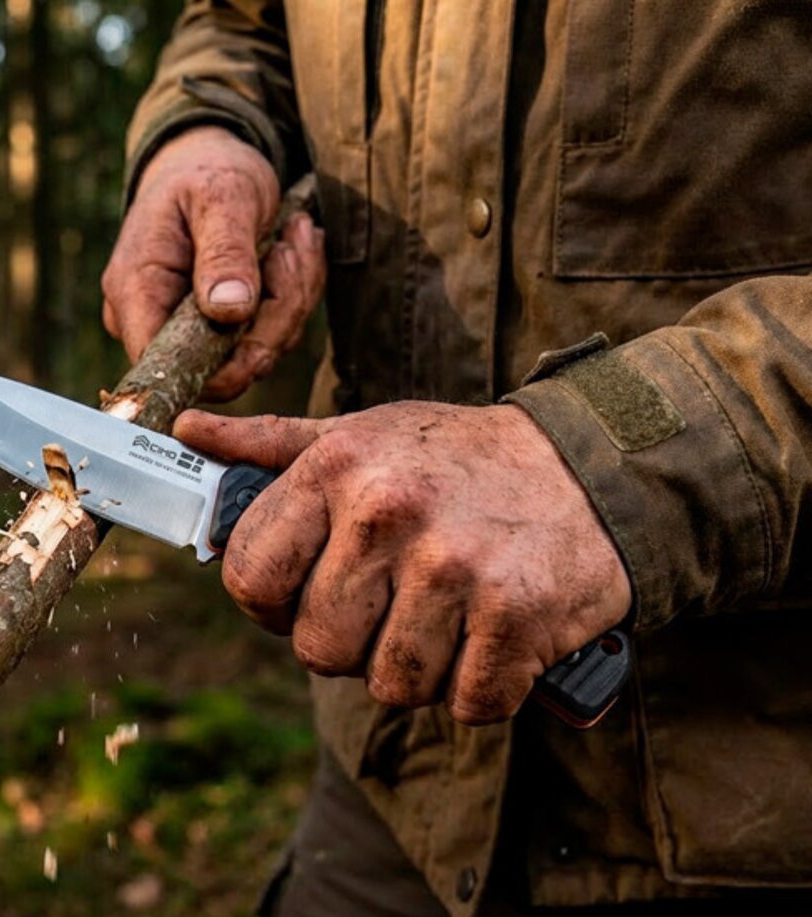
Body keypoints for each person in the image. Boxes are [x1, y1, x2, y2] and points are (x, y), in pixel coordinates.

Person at [100, 2, 812, 915]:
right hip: (395, 792)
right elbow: (243, 24)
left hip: (757, 791)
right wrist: (207, 130)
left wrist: (610, 463)